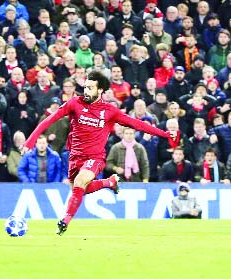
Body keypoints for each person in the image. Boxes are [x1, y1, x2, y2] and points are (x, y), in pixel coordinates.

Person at [22, 71, 175, 235]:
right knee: (80, 190)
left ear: (100, 90)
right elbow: (49, 120)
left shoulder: (110, 111)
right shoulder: (74, 103)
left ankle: (65, 220)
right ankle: (109, 183)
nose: (86, 91)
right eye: (85, 87)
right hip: (75, 156)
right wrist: (30, 141)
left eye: (90, 88)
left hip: (94, 157)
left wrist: (164, 134)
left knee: (81, 181)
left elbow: (137, 124)